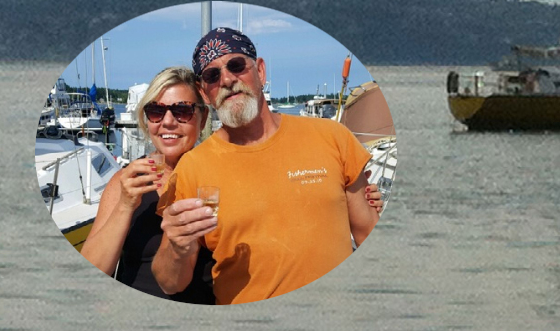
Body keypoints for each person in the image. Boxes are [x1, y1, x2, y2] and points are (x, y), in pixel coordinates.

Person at [153, 27, 380, 304]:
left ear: (260, 71)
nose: (227, 79)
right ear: (204, 93)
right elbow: (169, 283)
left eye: (236, 65)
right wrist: (176, 246)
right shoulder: (192, 168)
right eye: (212, 75)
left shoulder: (332, 137)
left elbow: (368, 232)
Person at [81, 67, 217, 303]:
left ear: (202, 117)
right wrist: (125, 205)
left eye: (182, 111)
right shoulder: (126, 181)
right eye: (156, 111)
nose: (168, 122)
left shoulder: (218, 178)